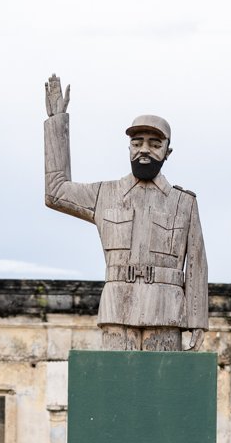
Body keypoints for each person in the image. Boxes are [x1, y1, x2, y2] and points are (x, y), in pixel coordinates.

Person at [44, 74, 207, 351]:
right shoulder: (104, 194)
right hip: (117, 306)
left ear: (168, 152)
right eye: (137, 142)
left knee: (163, 376)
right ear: (129, 146)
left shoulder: (183, 202)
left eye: (155, 144)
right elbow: (55, 191)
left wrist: (197, 319)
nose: (144, 150)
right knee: (115, 377)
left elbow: (196, 264)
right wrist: (57, 123)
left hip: (166, 309)